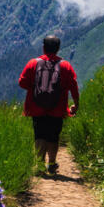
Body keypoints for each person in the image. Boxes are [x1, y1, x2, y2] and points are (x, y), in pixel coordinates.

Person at [18, 35, 79, 175]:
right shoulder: (65, 66)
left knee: (39, 135)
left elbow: (22, 82)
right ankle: (51, 163)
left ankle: (39, 164)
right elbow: (73, 86)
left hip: (36, 107)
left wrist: (34, 88)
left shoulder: (33, 63)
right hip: (58, 108)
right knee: (53, 136)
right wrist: (76, 104)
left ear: (43, 47)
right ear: (58, 49)